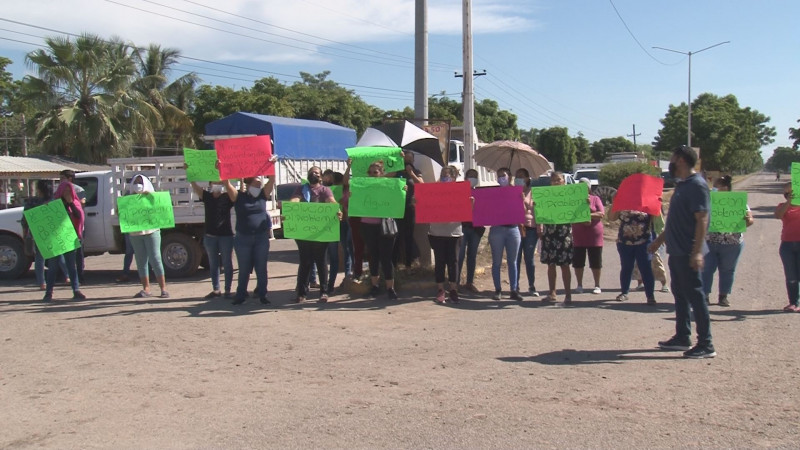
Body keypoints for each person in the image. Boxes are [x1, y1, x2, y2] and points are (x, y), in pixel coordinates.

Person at [649, 145, 714, 359]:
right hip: (675, 251)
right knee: (680, 294)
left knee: (696, 295)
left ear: (683, 161)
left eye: (673, 158)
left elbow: (702, 219)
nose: (671, 162)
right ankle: (682, 336)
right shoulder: (682, 185)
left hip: (687, 251)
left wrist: (696, 252)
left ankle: (706, 343)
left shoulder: (697, 185)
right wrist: (659, 241)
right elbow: (674, 221)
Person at [348, 159, 399, 300]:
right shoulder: (362, 186)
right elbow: (350, 191)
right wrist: (353, 196)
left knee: (386, 258)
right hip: (367, 225)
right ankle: (375, 286)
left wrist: (402, 191)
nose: (372, 174)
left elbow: (397, 199)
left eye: (375, 172)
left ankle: (390, 288)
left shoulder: (389, 186)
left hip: (385, 226)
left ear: (382, 173)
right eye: (370, 172)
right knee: (373, 257)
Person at [289, 166, 340, 304]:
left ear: (321, 177)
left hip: (320, 233)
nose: (314, 174)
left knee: (321, 262)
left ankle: (324, 292)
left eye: (316, 173)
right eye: (311, 172)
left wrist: (336, 210)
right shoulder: (301, 189)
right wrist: (290, 209)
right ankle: (301, 293)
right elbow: (294, 201)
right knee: (305, 262)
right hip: (304, 232)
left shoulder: (325, 190)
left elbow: (331, 201)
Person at [702, 175, 754, 307]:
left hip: (732, 243)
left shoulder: (738, 202)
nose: (716, 189)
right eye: (715, 186)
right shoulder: (708, 202)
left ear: (727, 187)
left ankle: (723, 296)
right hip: (710, 242)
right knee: (707, 269)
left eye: (719, 186)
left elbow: (750, 221)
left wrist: (747, 220)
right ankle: (705, 295)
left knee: (728, 270)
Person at [225, 175, 274, 305]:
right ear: (249, 184)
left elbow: (272, 180)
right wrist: (222, 170)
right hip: (243, 238)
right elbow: (227, 184)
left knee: (261, 268)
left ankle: (263, 294)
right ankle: (241, 295)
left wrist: (271, 166)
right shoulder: (238, 197)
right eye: (257, 184)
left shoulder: (263, 195)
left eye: (259, 184)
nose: (259, 186)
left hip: (261, 238)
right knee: (244, 268)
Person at [42, 178, 85, 301]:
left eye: (68, 190)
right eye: (64, 190)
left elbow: (78, 216)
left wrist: (70, 203)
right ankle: (48, 293)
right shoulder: (54, 205)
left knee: (71, 266)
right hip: (56, 240)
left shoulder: (75, 203)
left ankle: (76, 290)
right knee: (53, 267)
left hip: (69, 239)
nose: (66, 192)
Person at [126, 174, 169, 299]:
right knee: (141, 260)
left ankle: (163, 288)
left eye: (140, 181)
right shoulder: (128, 198)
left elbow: (162, 209)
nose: (138, 184)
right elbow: (120, 212)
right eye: (136, 182)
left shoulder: (152, 196)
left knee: (155, 258)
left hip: (152, 231)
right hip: (135, 233)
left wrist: (148, 197)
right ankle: (146, 288)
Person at [21, 180, 68, 290]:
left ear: (39, 189)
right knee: (59, 254)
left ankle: (42, 282)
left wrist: (25, 233)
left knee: (40, 257)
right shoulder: (54, 201)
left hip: (38, 232)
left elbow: (25, 219)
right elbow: (61, 218)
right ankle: (67, 276)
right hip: (53, 232)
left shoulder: (32, 202)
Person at [191, 181, 235, 299]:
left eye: (219, 183)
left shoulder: (227, 197)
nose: (217, 186)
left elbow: (236, 196)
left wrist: (228, 183)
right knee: (213, 264)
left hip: (226, 236)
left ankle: (227, 290)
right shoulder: (207, 197)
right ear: (210, 186)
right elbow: (195, 187)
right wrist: (190, 175)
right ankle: (216, 289)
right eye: (215, 184)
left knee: (227, 263)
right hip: (210, 236)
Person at [429, 166, 463, 304]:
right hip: (437, 232)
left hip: (454, 232)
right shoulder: (432, 191)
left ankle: (453, 289)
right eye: (442, 175)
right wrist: (417, 203)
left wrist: (471, 204)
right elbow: (424, 205)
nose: (444, 178)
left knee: (453, 262)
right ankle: (440, 290)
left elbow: (467, 211)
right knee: (439, 262)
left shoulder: (460, 191)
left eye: (447, 175)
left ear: (454, 177)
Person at [538, 171, 573, 304]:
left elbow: (577, 213)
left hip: (564, 234)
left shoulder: (570, 196)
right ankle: (552, 292)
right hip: (550, 233)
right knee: (550, 265)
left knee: (565, 265)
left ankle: (568, 294)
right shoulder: (546, 196)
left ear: (564, 181)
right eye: (553, 180)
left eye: (558, 180)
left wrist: (584, 204)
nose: (556, 182)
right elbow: (541, 213)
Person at [608, 209, 656, 304]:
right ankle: (624, 292)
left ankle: (650, 296)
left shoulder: (646, 200)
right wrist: (615, 203)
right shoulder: (623, 201)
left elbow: (656, 219)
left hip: (644, 241)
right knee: (626, 267)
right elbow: (611, 218)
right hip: (625, 242)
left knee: (646, 268)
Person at [488, 167, 522, 301]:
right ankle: (498, 290)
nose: (501, 178)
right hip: (497, 229)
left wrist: (521, 199)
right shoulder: (493, 192)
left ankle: (514, 290)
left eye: (503, 175)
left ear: (509, 177)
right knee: (496, 261)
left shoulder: (516, 192)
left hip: (513, 229)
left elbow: (522, 211)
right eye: (499, 176)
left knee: (512, 261)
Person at [572, 177, 605, 295]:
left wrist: (587, 214)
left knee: (595, 261)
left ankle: (597, 285)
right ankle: (579, 284)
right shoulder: (573, 201)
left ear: (588, 188)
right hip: (578, 235)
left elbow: (601, 214)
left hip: (594, 235)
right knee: (578, 261)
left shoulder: (595, 199)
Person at [457, 169, 486, 294]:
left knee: (472, 256)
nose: (472, 178)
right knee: (460, 256)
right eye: (470, 176)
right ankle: (456, 283)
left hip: (476, 229)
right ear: (465, 177)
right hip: (463, 227)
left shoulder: (481, 193)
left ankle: (470, 282)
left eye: (475, 176)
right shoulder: (459, 191)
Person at [394, 150, 424, 268]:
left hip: (410, 207)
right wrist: (398, 165)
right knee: (396, 235)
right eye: (406, 159)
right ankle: (395, 263)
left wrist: (411, 173)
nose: (408, 161)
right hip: (396, 207)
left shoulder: (416, 172)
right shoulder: (396, 172)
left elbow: (422, 185)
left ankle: (408, 264)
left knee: (409, 235)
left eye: (410, 159)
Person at [514, 168, 539, 297]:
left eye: (522, 176)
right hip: (516, 228)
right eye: (517, 176)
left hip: (530, 228)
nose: (519, 178)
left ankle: (531, 285)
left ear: (528, 178)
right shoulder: (511, 192)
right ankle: (515, 286)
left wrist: (523, 199)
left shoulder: (533, 193)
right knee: (516, 259)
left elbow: (535, 210)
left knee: (529, 258)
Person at [776, 182, 800, 312]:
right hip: (787, 245)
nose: (790, 195)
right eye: (788, 194)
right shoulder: (782, 206)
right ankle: (793, 302)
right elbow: (778, 215)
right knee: (791, 276)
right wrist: (789, 202)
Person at [59, 170, 86, 283]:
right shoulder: (58, 190)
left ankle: (79, 276)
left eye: (62, 177)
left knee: (78, 253)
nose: (60, 180)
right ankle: (66, 275)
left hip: (76, 226)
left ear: (69, 178)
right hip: (63, 227)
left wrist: (70, 202)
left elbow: (81, 206)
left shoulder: (78, 190)